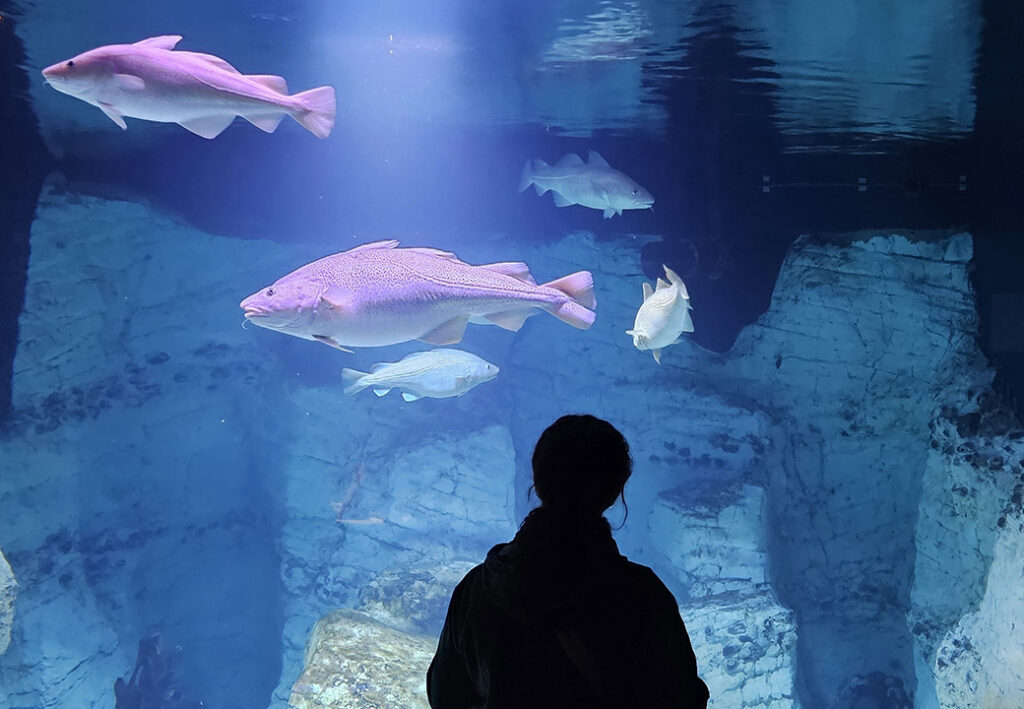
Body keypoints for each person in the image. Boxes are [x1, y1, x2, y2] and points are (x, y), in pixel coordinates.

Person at [427, 414, 710, 708]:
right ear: (615, 491)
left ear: (538, 481)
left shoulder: (478, 588)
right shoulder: (643, 597)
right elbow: (684, 699)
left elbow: (445, 695)